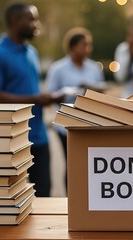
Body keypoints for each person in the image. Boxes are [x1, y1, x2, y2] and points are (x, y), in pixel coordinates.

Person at [0, 3, 63, 197]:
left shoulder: (32, 52)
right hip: (12, 139)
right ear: (15, 21)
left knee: (44, 194)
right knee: (10, 198)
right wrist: (36, 99)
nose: (37, 24)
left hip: (39, 136)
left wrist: (45, 98)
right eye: (32, 19)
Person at [46, 27, 105, 188]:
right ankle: (71, 201)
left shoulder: (94, 68)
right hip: (66, 125)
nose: (88, 49)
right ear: (73, 47)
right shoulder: (58, 69)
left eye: (89, 45)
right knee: (71, 164)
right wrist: (70, 92)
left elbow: (100, 92)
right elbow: (51, 94)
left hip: (90, 123)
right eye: (84, 45)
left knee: (89, 165)